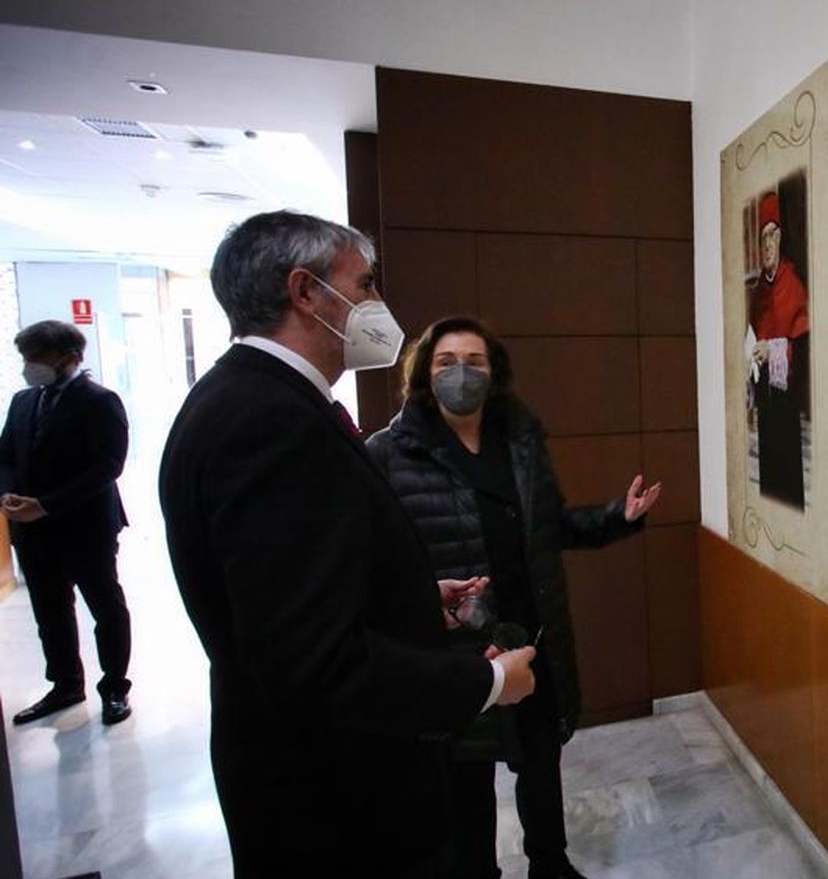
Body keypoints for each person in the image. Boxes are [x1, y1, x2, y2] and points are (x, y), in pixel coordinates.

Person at [158, 211, 539, 878]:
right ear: (306, 292)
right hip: (337, 807)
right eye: (364, 285)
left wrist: (412, 600)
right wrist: (488, 680)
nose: (377, 303)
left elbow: (290, 598)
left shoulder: (245, 399)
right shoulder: (269, 424)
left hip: (318, 787)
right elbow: (316, 662)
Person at [366, 316, 661, 879]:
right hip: (459, 651)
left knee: (541, 760)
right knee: (467, 778)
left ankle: (550, 864)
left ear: (494, 371)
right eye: (446, 362)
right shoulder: (388, 453)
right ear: (425, 374)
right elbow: (378, 563)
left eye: (474, 361)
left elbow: (553, 528)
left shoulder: (520, 441)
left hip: (532, 635)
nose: (461, 373)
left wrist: (617, 518)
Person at [0, 319, 132, 726]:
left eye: (38, 357)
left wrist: (46, 504)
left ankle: (115, 688)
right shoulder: (24, 402)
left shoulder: (99, 401)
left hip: (85, 528)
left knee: (106, 608)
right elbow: (6, 456)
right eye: (26, 357)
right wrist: (7, 494)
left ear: (70, 357)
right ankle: (65, 684)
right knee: (51, 612)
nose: (30, 365)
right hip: (33, 532)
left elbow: (107, 467)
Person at [747, 190, 809, 507]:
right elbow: (752, 333)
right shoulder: (759, 290)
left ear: (781, 238)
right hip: (765, 398)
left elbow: (803, 345)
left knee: (786, 476)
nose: (768, 244)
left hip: (785, 402)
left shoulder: (793, 284)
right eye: (763, 238)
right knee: (769, 478)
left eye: (773, 235)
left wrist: (773, 350)